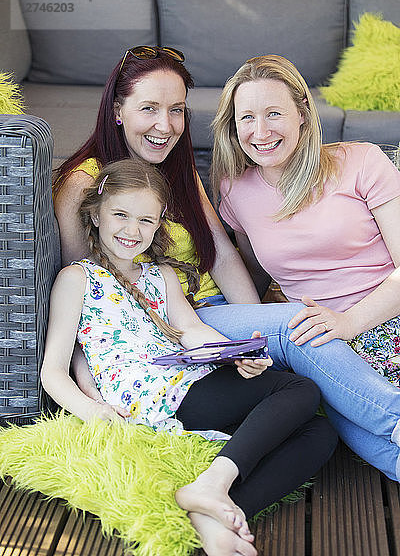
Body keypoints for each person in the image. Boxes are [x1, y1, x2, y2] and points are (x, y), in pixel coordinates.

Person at [53, 45, 400, 484]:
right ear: (117, 110)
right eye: (149, 108)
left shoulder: (178, 171)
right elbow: (87, 299)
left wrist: (258, 326)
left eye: (176, 110)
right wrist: (89, 390)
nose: (165, 125)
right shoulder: (84, 183)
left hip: (221, 316)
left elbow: (220, 250)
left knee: (321, 398)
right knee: (299, 325)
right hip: (174, 319)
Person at [42, 160, 338, 556]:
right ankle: (213, 485)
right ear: (96, 215)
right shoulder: (77, 279)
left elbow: (190, 331)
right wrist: (92, 411)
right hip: (146, 393)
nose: (133, 230)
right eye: (121, 215)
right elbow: (53, 370)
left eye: (146, 220)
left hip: (185, 381)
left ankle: (218, 514)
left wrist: (233, 356)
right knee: (299, 390)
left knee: (320, 433)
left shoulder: (159, 275)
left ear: (160, 221)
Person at [211, 53, 400, 473]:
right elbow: (253, 269)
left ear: (302, 113)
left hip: (385, 316)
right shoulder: (234, 189)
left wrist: (350, 321)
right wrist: (253, 342)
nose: (260, 132)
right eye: (247, 118)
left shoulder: (362, 162)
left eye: (274, 113)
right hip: (323, 347)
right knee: (378, 450)